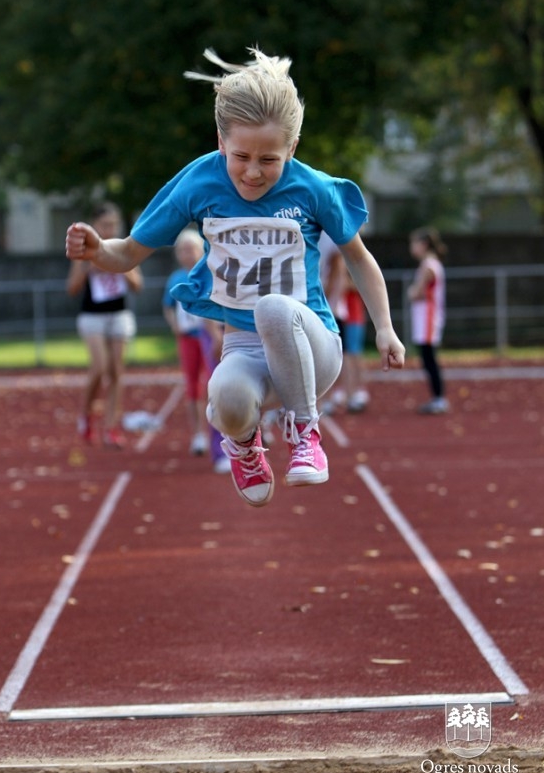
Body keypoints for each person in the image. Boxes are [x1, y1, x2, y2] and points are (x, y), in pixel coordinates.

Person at [66, 47, 405, 506]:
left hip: (312, 345)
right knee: (222, 397)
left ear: (292, 148)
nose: (252, 172)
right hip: (245, 346)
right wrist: (95, 251)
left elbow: (360, 259)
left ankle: (305, 431)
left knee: (273, 307)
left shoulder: (312, 189)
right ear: (221, 142)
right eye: (241, 156)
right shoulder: (199, 182)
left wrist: (384, 327)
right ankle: (246, 448)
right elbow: (127, 253)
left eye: (269, 160)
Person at [66, 202, 143, 447]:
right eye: (104, 225)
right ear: (95, 225)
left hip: (119, 314)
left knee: (116, 373)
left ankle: (111, 427)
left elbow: (138, 285)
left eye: (113, 224)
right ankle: (86, 415)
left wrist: (122, 267)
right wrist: (89, 266)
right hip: (92, 316)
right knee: (99, 367)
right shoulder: (85, 249)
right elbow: (72, 289)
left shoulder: (125, 247)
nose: (110, 229)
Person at [163, 228, 230, 473]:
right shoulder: (199, 273)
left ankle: (248, 438)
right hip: (207, 335)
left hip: (237, 331)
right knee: (211, 388)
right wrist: (214, 334)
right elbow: (203, 304)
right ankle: (214, 445)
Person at [319, 232, 370, 414]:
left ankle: (352, 393)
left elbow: (345, 283)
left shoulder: (344, 262)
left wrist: (325, 296)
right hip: (337, 312)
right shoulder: (339, 260)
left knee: (346, 355)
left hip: (337, 313)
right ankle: (343, 394)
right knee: (342, 356)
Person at [408, 226, 449, 414]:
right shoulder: (430, 264)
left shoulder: (428, 266)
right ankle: (437, 397)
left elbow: (416, 292)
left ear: (423, 245)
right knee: (427, 358)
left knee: (429, 358)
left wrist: (412, 292)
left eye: (414, 243)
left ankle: (439, 398)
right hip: (425, 317)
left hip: (428, 318)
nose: (412, 247)